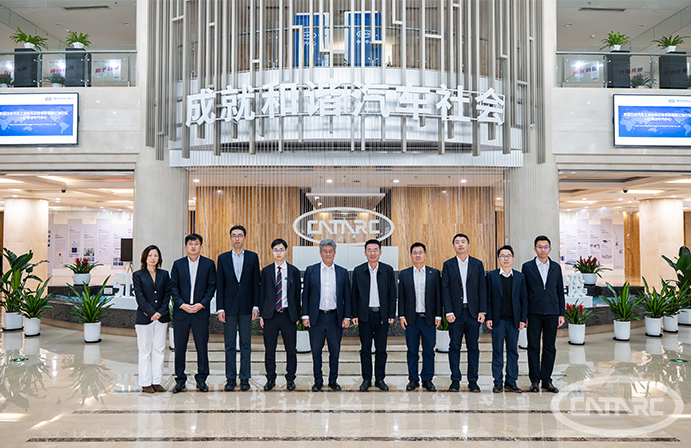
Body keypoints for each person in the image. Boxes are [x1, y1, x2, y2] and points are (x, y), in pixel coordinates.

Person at [301, 238, 351, 391]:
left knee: (334, 351)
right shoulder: (311, 270)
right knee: (316, 351)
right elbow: (305, 295)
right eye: (325, 251)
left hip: (335, 317)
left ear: (334, 253)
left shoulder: (342, 272)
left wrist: (347, 317)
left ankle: (333, 381)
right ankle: (318, 381)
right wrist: (305, 316)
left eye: (330, 251)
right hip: (316, 317)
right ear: (320, 253)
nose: (328, 254)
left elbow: (347, 297)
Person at [169, 234, 216, 393]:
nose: (193, 246)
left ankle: (201, 379)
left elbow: (211, 287)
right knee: (179, 348)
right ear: (186, 246)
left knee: (202, 347)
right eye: (190, 244)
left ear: (201, 246)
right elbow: (173, 287)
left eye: (196, 244)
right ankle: (180, 379)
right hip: (181, 313)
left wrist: (201, 304)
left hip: (200, 313)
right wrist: (182, 305)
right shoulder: (178, 264)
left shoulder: (209, 264)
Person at [216, 225, 261, 392]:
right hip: (228, 307)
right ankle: (230, 378)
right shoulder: (222, 258)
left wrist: (256, 305)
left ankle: (244, 378)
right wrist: (220, 308)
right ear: (230, 238)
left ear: (244, 238)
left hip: (247, 306)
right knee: (229, 344)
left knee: (245, 344)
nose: (237, 238)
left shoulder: (252, 257)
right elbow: (220, 285)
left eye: (240, 235)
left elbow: (256, 283)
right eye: (234, 235)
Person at [442, 233, 487, 393]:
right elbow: (445, 289)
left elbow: (482, 288)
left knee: (473, 347)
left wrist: (482, 310)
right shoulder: (448, 265)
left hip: (473, 313)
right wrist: (448, 311)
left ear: (468, 245)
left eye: (463, 242)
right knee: (454, 346)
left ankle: (473, 381)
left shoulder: (477, 264)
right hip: (455, 313)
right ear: (453, 246)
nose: (460, 244)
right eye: (457, 242)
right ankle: (455, 380)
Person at [521, 235, 565, 394]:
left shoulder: (556, 267)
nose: (543, 249)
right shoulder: (527, 267)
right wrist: (524, 315)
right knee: (533, 347)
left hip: (552, 313)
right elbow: (524, 293)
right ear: (535, 249)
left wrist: (561, 313)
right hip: (533, 313)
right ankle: (534, 381)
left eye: (545, 247)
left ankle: (547, 379)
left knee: (549, 347)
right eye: (540, 247)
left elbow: (560, 292)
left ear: (550, 249)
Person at [351, 239, 396, 391]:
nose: (372, 253)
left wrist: (391, 314)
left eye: (375, 250)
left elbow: (392, 294)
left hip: (382, 315)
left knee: (381, 349)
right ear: (365, 253)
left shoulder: (388, 270)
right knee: (365, 349)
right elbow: (354, 294)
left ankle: (380, 379)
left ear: (380, 252)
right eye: (369, 250)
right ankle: (366, 379)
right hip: (365, 316)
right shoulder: (358, 270)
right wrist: (354, 314)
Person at [258, 238, 301, 391]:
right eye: (275, 250)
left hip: (288, 315)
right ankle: (270, 379)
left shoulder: (294, 271)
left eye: (281, 250)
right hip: (271, 315)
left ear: (286, 251)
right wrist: (262, 315)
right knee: (270, 349)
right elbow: (262, 294)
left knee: (291, 349)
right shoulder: (266, 271)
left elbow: (297, 295)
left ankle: (290, 379)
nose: (278, 253)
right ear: (272, 252)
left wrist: (297, 316)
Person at [398, 242, 441, 392]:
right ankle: (413, 379)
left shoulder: (434, 273)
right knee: (412, 350)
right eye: (415, 253)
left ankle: (427, 379)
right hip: (411, 319)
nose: (418, 255)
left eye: (420, 252)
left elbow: (438, 296)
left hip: (429, 319)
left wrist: (438, 315)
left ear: (425, 255)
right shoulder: (404, 274)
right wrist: (401, 315)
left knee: (429, 350)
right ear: (411, 256)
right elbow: (401, 297)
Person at [486, 245, 528, 394]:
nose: (506, 258)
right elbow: (488, 298)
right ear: (498, 259)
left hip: (513, 321)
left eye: (508, 256)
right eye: (502, 256)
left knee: (513, 352)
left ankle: (511, 381)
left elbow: (524, 299)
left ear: (513, 258)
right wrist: (488, 317)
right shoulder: (491, 276)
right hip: (497, 321)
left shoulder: (520, 277)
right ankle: (497, 382)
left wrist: (523, 318)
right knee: (497, 351)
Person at [132, 245, 171, 394]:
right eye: (150, 255)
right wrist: (151, 313)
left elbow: (167, 295)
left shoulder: (164, 274)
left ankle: (156, 381)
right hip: (144, 318)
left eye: (155, 255)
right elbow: (140, 297)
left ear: (159, 258)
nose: (153, 258)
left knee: (159, 350)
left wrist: (160, 312)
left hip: (161, 318)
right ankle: (145, 382)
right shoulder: (138, 275)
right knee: (145, 351)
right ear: (145, 258)